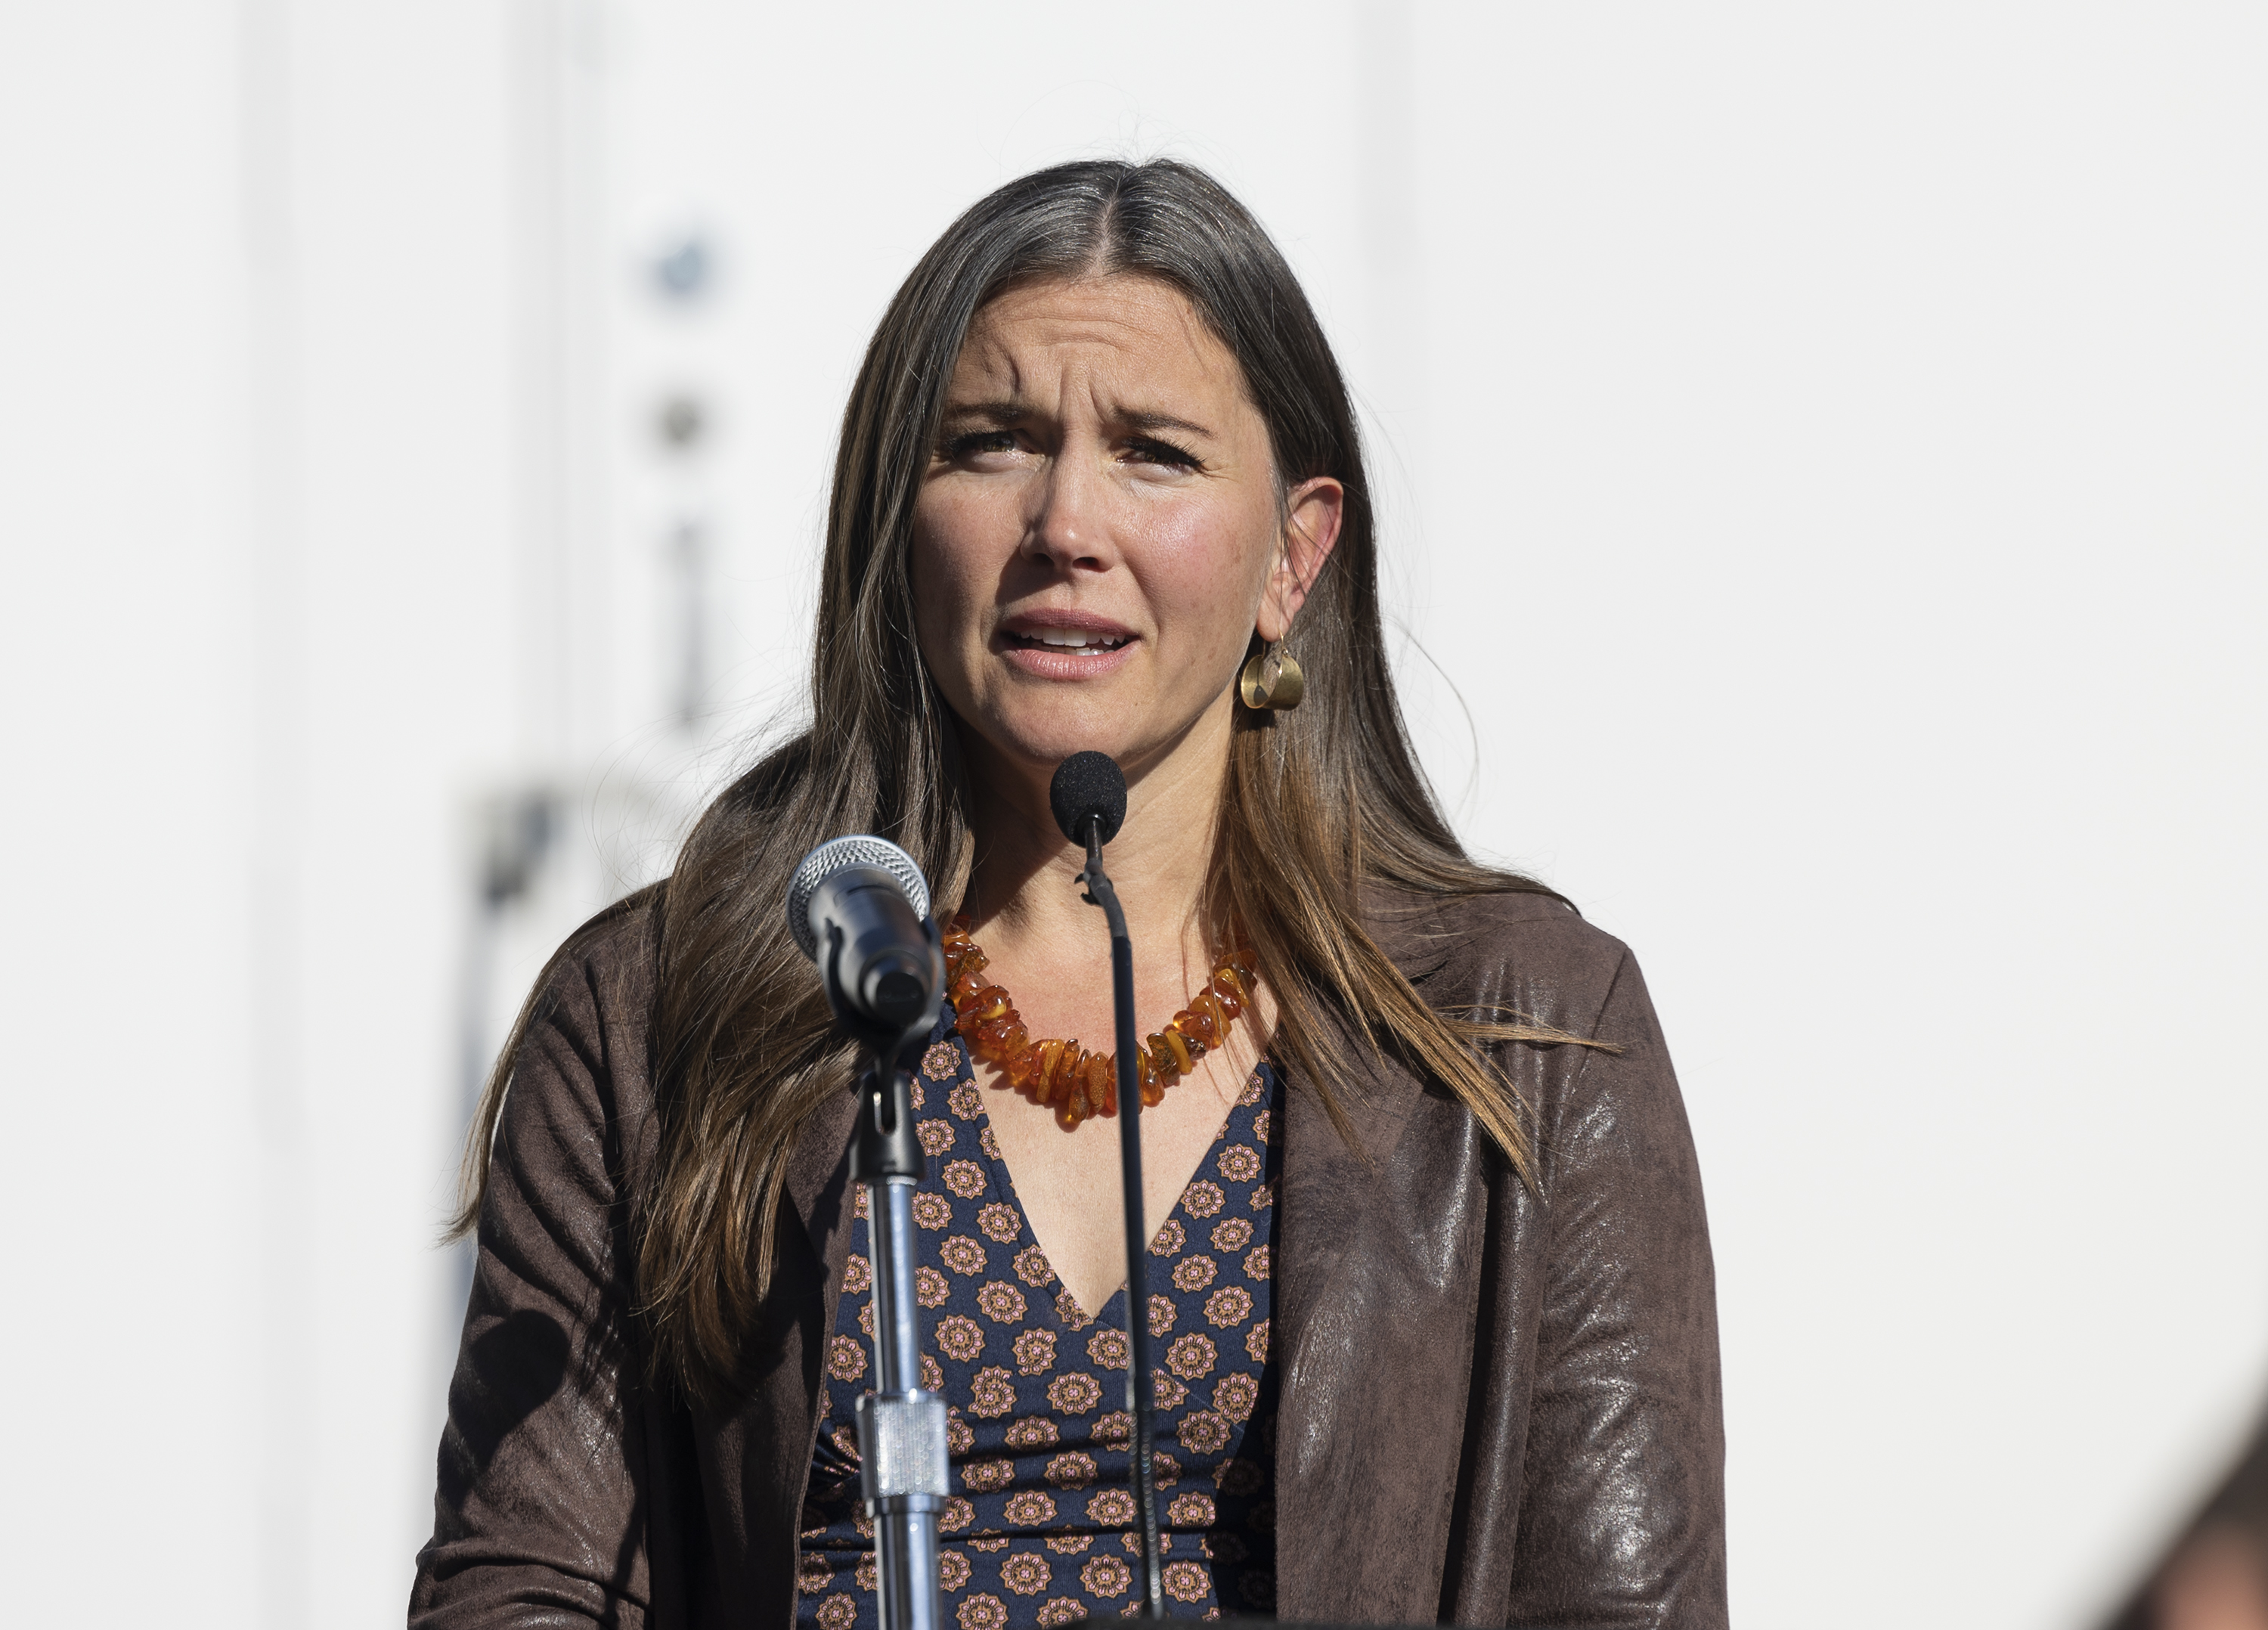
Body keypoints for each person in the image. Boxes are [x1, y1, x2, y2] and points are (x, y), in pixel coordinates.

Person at [411, 160, 1725, 1629]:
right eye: (990, 443)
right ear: (892, 523)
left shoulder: (1528, 1025)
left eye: (1154, 452)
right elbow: (519, 1588)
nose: (1065, 522)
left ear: (1293, 556)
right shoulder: (659, 1011)